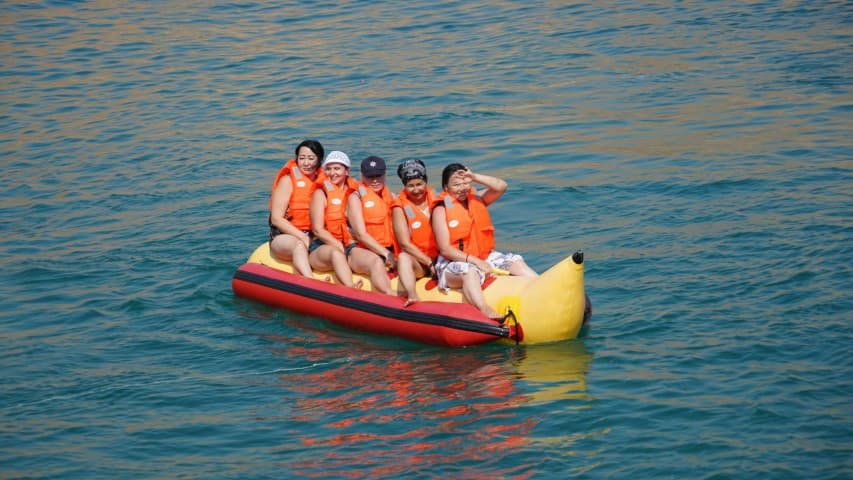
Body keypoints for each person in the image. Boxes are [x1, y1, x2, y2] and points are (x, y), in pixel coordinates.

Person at [431, 163, 537, 319]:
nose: (462, 188)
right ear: (445, 187)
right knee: (469, 271)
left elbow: (501, 186)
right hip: (451, 263)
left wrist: (474, 176)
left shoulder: (478, 199)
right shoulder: (441, 209)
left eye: (465, 183)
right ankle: (484, 309)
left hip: (485, 256)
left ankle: (542, 288)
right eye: (456, 184)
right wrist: (476, 262)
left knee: (516, 263)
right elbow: (445, 249)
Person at [268, 139, 325, 277]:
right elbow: (276, 219)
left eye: (311, 158)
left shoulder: (325, 182)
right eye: (302, 158)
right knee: (299, 246)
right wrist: (302, 237)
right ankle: (311, 283)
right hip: (285, 237)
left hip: (315, 236)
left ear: (319, 160)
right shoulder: (287, 181)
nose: (306, 163)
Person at [307, 151, 362, 288]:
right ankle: (350, 287)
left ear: (347, 171)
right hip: (322, 247)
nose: (332, 173)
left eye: (337, 168)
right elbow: (318, 230)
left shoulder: (356, 193)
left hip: (350, 245)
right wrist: (341, 248)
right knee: (336, 254)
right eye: (329, 169)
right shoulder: (321, 194)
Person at [345, 156, 397, 296]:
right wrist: (386, 254)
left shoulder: (392, 197)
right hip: (360, 250)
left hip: (388, 248)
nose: (375, 180)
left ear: (385, 175)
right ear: (362, 176)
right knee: (375, 261)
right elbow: (361, 234)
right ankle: (390, 295)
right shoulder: (355, 198)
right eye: (370, 176)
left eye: (378, 175)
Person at [391, 159, 438, 306]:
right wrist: (429, 263)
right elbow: (404, 243)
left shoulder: (437, 198)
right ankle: (412, 295)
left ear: (426, 182)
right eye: (410, 186)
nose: (416, 189)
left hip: (443, 258)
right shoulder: (399, 208)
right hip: (420, 263)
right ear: (404, 186)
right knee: (404, 257)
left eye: (419, 184)